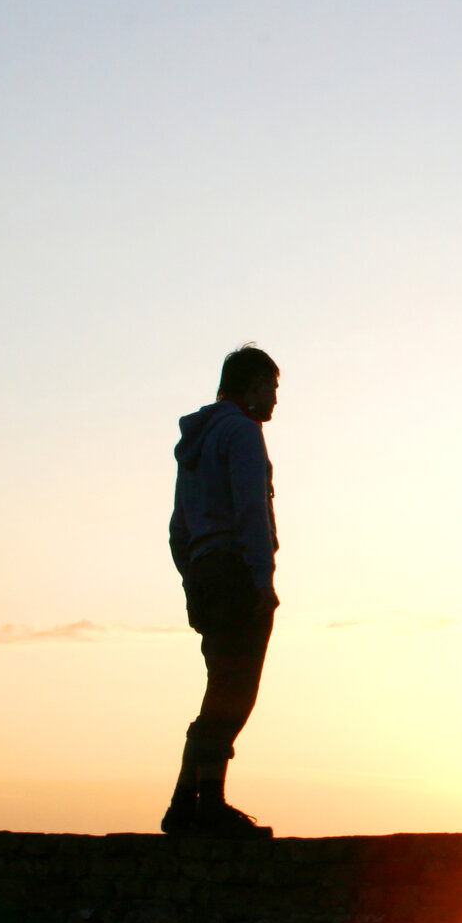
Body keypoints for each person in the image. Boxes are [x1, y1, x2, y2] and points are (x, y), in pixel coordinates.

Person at [163, 345, 282, 838]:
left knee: (220, 686)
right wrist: (261, 578)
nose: (275, 399)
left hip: (205, 571)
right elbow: (251, 509)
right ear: (253, 386)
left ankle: (184, 803)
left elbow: (178, 527)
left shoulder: (199, 440)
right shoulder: (241, 432)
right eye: (272, 387)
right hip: (235, 570)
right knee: (235, 690)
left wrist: (192, 575)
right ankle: (208, 802)